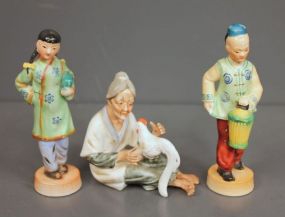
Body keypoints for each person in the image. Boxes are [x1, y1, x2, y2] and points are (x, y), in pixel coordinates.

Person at [81, 71, 199, 196]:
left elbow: (140, 143)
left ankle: (178, 174)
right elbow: (92, 157)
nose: (126, 109)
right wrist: (121, 156)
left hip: (130, 155)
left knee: (161, 156)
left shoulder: (129, 117)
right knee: (144, 172)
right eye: (120, 103)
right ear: (109, 101)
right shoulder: (97, 123)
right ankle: (175, 182)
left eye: (130, 103)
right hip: (109, 167)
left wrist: (153, 136)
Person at [202, 23, 263, 181]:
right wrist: (208, 98)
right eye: (237, 50)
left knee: (241, 137)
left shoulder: (250, 67)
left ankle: (237, 159)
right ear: (227, 47)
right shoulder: (222, 66)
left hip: (244, 112)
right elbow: (208, 78)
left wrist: (251, 100)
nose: (242, 54)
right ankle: (224, 166)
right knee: (226, 138)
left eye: (245, 49)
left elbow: (257, 86)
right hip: (225, 111)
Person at [15, 29, 75, 179]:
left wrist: (69, 88)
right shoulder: (33, 68)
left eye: (54, 48)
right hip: (44, 112)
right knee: (47, 142)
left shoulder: (61, 65)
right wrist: (32, 96)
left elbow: (69, 75)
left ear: (58, 48)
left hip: (60, 110)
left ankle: (61, 162)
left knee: (63, 140)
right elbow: (20, 82)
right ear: (37, 45)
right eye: (45, 46)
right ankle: (51, 167)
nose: (49, 51)